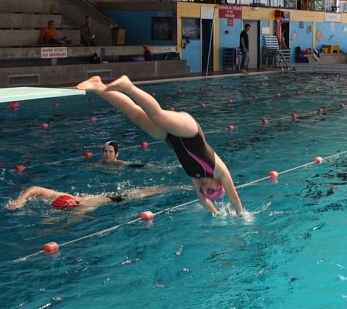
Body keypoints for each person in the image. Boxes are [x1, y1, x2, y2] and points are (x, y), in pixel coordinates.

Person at [77, 75, 244, 216]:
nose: (205, 190)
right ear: (218, 184)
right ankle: (128, 86)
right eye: (211, 191)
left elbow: (202, 199)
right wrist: (241, 215)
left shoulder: (195, 177)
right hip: (189, 131)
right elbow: (234, 197)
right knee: (157, 115)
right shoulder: (219, 170)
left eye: (206, 192)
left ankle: (98, 86)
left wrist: (214, 213)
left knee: (134, 114)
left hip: (170, 138)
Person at [6, 184, 181, 212]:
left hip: (113, 198)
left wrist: (51, 229)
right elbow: (35, 189)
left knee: (146, 193)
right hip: (106, 196)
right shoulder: (63, 197)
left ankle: (175, 187)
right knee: (143, 191)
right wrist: (21, 200)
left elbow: (72, 222)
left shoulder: (82, 208)